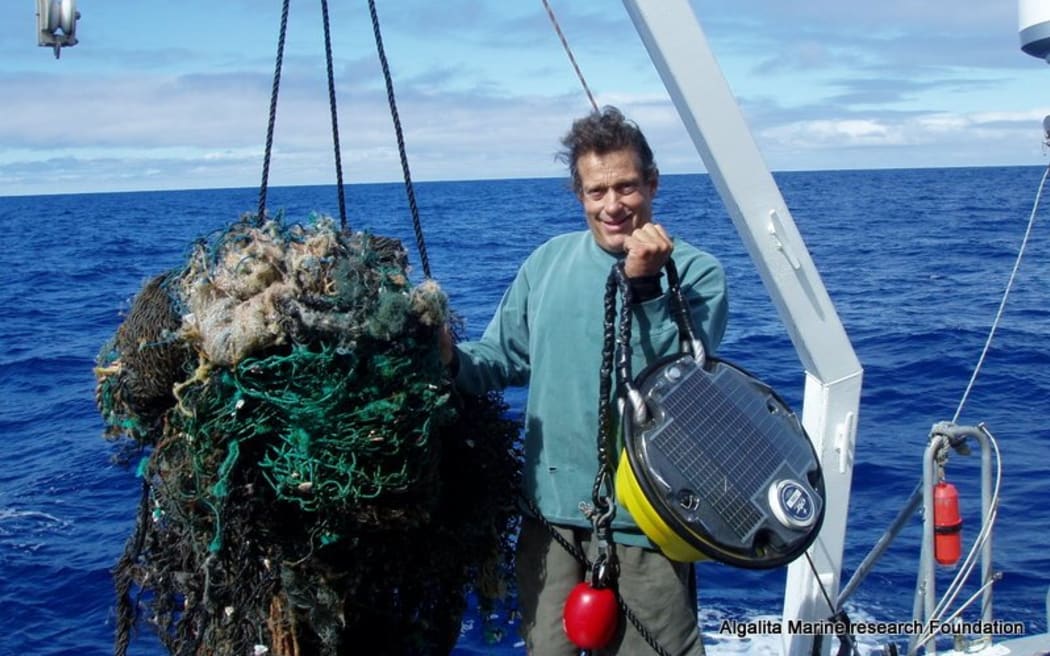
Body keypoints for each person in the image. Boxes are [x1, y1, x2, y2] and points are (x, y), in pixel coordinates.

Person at [440, 106, 728, 655]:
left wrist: (644, 289)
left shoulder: (696, 273)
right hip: (550, 517)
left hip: (649, 522)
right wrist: (450, 359)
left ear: (652, 183)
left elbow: (676, 378)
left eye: (626, 187)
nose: (613, 205)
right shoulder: (548, 262)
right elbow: (499, 360)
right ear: (579, 194)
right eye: (597, 191)